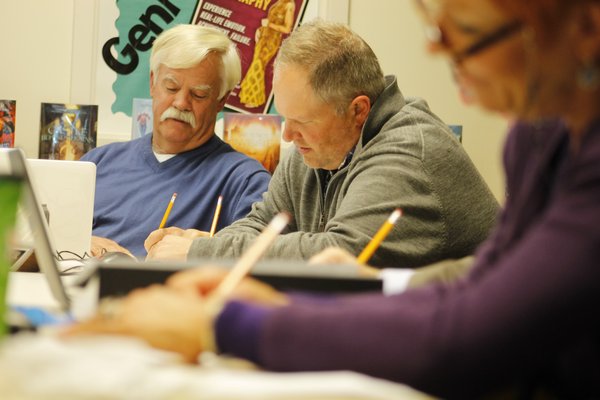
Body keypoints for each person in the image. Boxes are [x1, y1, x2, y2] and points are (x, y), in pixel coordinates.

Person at [69, 1, 600, 397]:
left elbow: (470, 329)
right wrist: (332, 293)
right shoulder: (539, 135)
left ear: (584, 28)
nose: (439, 51)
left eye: (467, 34)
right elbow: (482, 277)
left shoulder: (410, 151)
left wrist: (228, 323)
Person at [145, 20, 499, 269]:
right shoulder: (314, 148)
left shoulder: (409, 151)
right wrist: (205, 246)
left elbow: (339, 254)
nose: (287, 136)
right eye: (286, 120)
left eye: (302, 122)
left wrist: (202, 251)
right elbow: (264, 223)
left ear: (357, 110)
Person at [81, 25, 271, 257]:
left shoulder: (243, 180)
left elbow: (261, 261)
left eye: (199, 94)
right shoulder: (97, 163)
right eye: (171, 87)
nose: (181, 103)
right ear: (152, 83)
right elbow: (37, 241)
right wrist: (78, 243)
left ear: (221, 100)